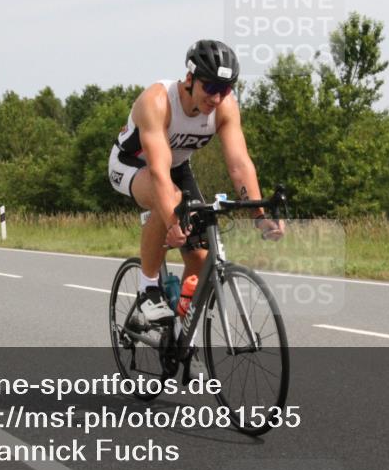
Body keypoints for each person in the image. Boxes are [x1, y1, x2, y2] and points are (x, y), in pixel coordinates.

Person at [108, 39, 284, 325]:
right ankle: (147, 291)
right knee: (169, 202)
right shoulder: (157, 101)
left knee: (201, 257)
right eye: (210, 87)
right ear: (190, 79)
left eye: (225, 89)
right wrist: (171, 220)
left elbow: (239, 164)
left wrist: (260, 216)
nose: (216, 98)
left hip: (177, 167)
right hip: (132, 163)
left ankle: (181, 333)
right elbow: (159, 174)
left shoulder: (224, 108)